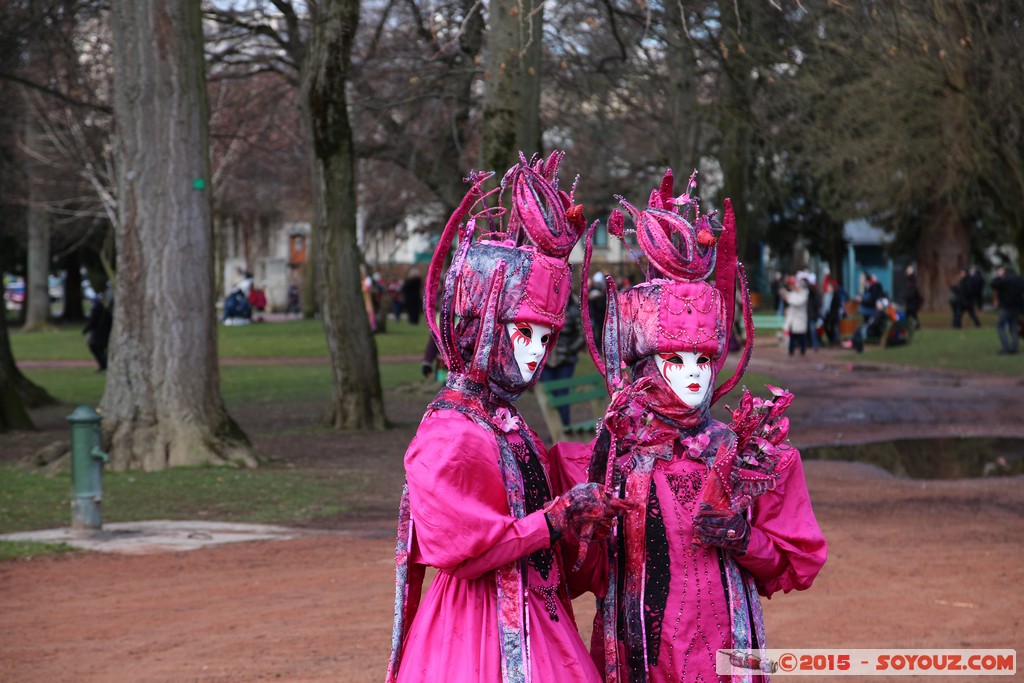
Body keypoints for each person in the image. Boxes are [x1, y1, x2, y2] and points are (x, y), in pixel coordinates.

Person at [386, 152, 630, 683]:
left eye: (546, 338)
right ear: (480, 325)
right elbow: (462, 551)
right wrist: (556, 518)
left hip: (540, 615)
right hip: (472, 633)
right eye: (525, 335)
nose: (536, 354)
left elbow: (539, 490)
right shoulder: (449, 432)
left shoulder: (505, 419)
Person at [582, 170, 827, 682]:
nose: (694, 373)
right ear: (647, 360)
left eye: (703, 358)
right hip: (642, 652)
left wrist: (743, 539)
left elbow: (796, 561)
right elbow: (584, 568)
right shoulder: (619, 453)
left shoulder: (746, 453)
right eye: (676, 359)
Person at [539, 293, 586, 426]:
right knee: (549, 396)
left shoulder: (572, 309)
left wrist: (570, 349)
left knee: (562, 395)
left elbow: (583, 334)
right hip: (546, 361)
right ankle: (556, 430)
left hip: (565, 361)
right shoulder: (543, 308)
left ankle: (565, 427)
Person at [990, 265, 1024, 355]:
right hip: (1017, 307)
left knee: (1000, 326)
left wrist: (999, 276)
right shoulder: (1020, 279)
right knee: (1013, 327)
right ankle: (1016, 348)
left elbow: (993, 284)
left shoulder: (1004, 280)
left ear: (1004, 271)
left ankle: (1006, 348)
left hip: (1006, 306)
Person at [779, 276, 810, 357]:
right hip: (793, 320)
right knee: (792, 336)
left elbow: (797, 302)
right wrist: (784, 292)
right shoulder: (794, 293)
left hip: (800, 319)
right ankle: (791, 351)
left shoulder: (804, 294)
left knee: (801, 337)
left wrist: (787, 298)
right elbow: (788, 295)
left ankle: (803, 350)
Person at [82, 293, 113, 371]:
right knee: (101, 349)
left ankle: (104, 364)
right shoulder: (106, 310)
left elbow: (92, 321)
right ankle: (105, 364)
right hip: (105, 333)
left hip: (98, 334)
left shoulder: (96, 310)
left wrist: (85, 330)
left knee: (96, 348)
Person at [903, 265, 923, 330]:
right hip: (912, 302)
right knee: (913, 315)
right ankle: (915, 326)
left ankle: (906, 326)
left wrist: (907, 296)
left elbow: (911, 291)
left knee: (909, 315)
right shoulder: (912, 279)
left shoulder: (910, 279)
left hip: (911, 302)